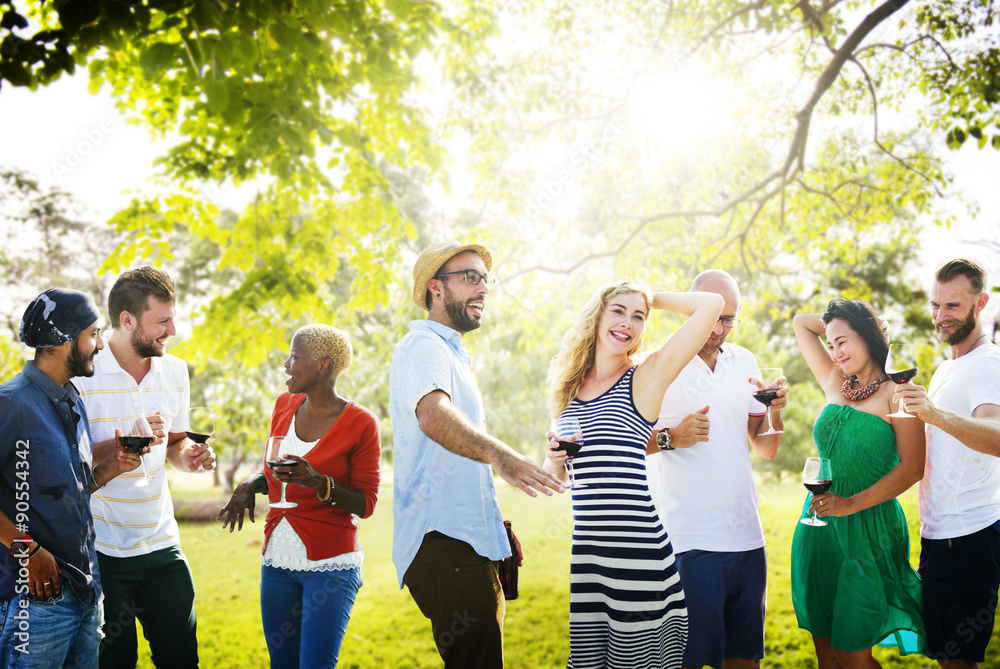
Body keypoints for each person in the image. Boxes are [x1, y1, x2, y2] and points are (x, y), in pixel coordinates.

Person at [389, 240, 565, 669]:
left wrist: (493, 531)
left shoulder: (451, 353)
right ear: (435, 288)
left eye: (485, 279)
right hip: (446, 546)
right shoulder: (424, 346)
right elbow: (432, 415)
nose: (483, 287)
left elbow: (452, 454)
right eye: (470, 277)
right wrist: (504, 458)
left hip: (466, 543)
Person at [544, 279, 724, 669]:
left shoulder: (646, 376)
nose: (627, 322)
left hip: (636, 553)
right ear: (597, 316)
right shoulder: (569, 390)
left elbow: (711, 304)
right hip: (589, 555)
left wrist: (647, 296)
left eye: (638, 316)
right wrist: (554, 458)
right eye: (618, 311)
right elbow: (557, 477)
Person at [643, 269, 788, 669]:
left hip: (747, 541)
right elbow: (625, 442)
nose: (719, 327)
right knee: (686, 661)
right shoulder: (655, 365)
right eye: (713, 315)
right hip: (690, 541)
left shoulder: (745, 360)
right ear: (689, 310)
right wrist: (674, 436)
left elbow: (765, 446)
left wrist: (775, 413)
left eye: (729, 318)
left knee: (744, 660)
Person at [73, 267, 215, 669]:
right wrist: (124, 438)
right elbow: (67, 456)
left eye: (173, 318)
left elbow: (173, 441)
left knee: (181, 657)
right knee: (113, 661)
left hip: (161, 543)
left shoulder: (174, 369)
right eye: (162, 321)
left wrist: (189, 455)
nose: (171, 330)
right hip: (102, 549)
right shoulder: (84, 372)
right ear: (127, 320)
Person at [219, 324, 380, 668]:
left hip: (330, 566)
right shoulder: (284, 404)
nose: (286, 363)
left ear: (323, 365)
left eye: (295, 356)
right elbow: (275, 470)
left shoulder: (361, 422)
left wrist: (318, 483)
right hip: (277, 561)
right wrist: (251, 485)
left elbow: (366, 502)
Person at [0, 289, 141, 668]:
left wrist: (112, 469)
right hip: (33, 602)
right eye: (93, 334)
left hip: (84, 593)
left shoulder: (71, 398)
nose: (99, 346)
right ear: (64, 340)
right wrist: (26, 547)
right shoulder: (11, 403)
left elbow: (70, 488)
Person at [791, 298, 927, 667]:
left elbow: (914, 467)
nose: (835, 352)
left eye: (843, 342)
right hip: (818, 523)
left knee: (852, 655)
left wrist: (849, 504)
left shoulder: (899, 390)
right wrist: (838, 325)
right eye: (830, 344)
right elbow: (802, 323)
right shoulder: (837, 380)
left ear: (869, 336)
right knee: (826, 651)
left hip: (868, 528)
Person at [893, 257, 1000, 668]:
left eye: (953, 306)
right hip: (941, 537)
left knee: (958, 661)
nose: (941, 316)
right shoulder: (947, 368)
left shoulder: (987, 364)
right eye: (936, 305)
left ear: (981, 303)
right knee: (945, 657)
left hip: (970, 537)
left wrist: (935, 415)